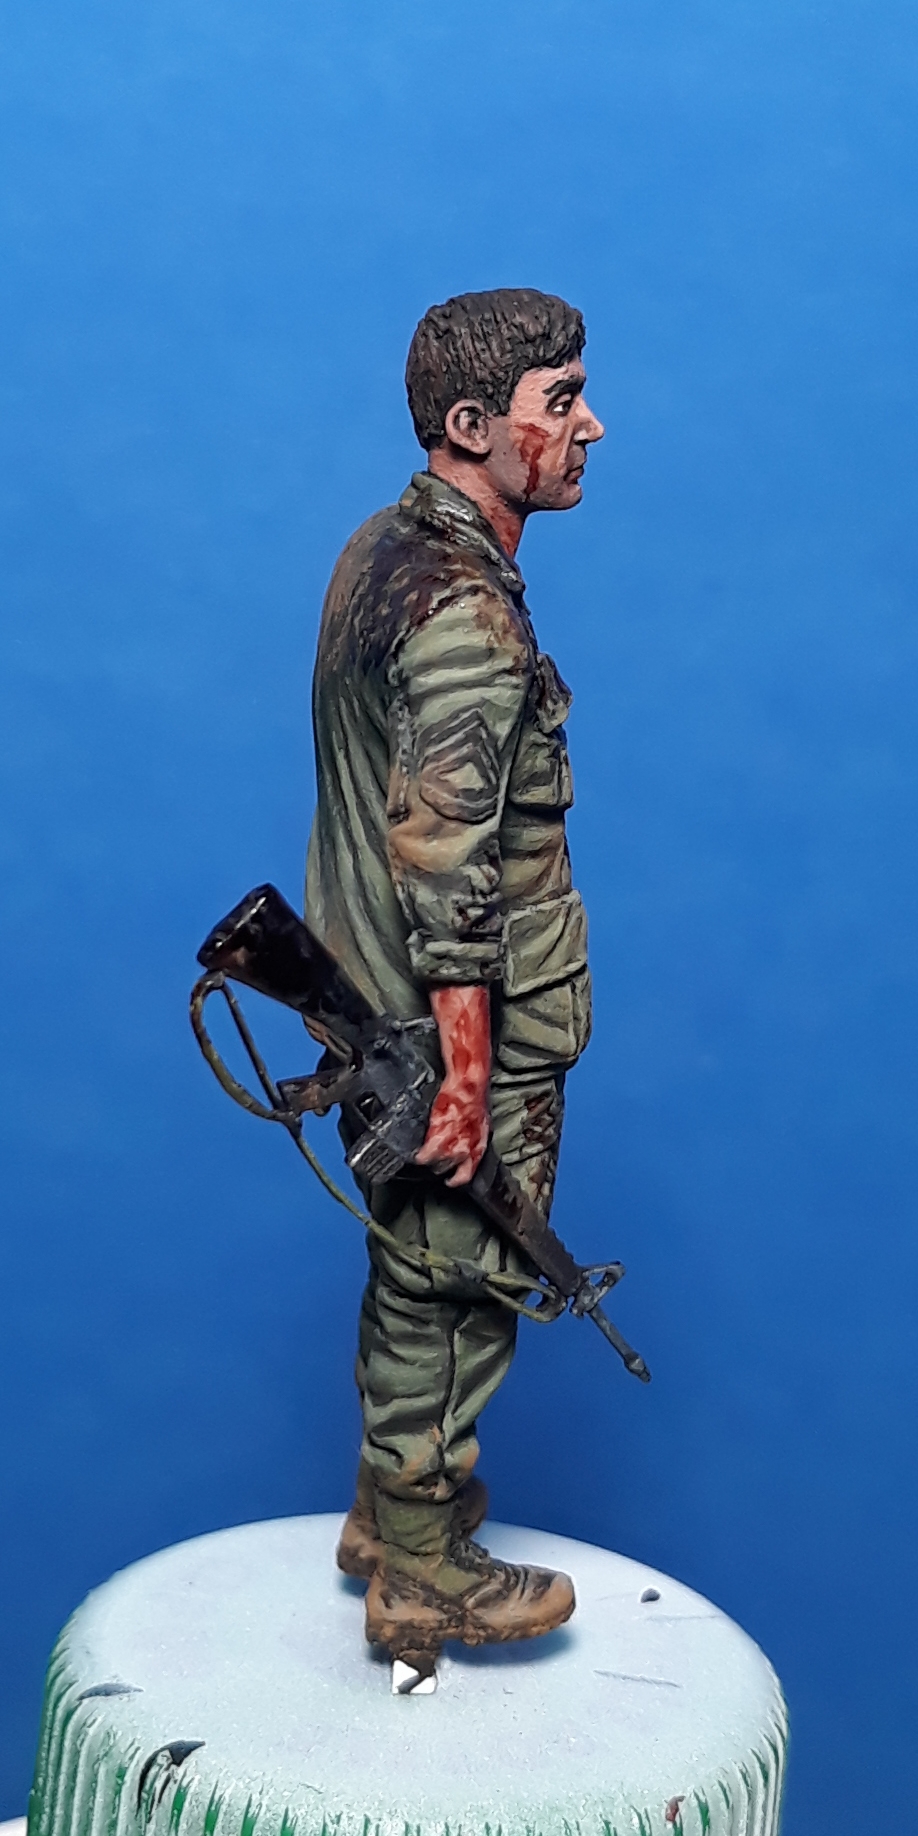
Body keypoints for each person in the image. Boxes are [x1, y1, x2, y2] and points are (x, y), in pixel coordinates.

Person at [305, 288, 604, 1662]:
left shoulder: (383, 552)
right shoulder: (468, 618)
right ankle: (423, 1571)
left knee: (416, 1265)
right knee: (462, 1280)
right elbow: (448, 872)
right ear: (475, 426)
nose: (590, 427)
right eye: (563, 403)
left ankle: (391, 1514)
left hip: (374, 1005)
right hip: (456, 1023)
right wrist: (468, 1079)